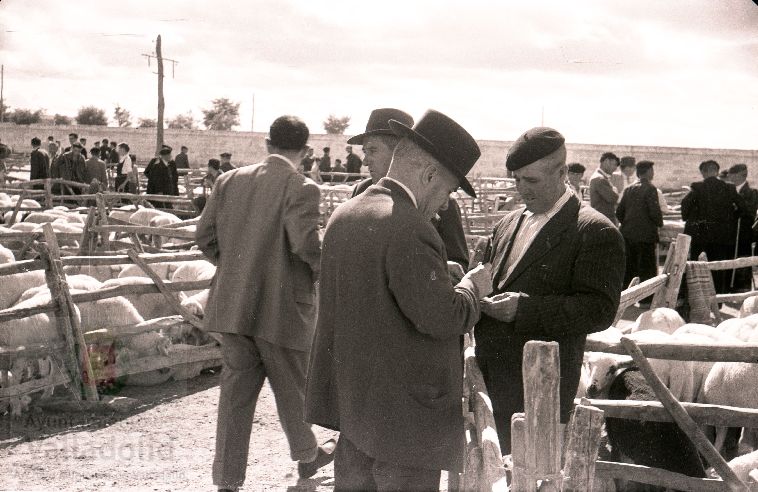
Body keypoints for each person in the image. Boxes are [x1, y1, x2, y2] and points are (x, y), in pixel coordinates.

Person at [306, 110, 493, 490]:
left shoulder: (346, 213)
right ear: (428, 175)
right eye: (449, 190)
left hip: (356, 413)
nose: (444, 203)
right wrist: (473, 288)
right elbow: (443, 317)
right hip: (405, 426)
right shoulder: (411, 227)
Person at [197, 116, 334, 492]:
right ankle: (307, 457)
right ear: (305, 152)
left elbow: (204, 235)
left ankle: (227, 480)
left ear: (266, 143)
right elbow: (306, 244)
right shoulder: (301, 187)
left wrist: (236, 272)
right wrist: (323, 272)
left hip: (233, 309)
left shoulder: (228, 181)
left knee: (235, 398)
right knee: (292, 388)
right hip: (283, 309)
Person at [475, 127, 625, 454]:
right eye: (516, 180)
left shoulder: (594, 230)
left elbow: (599, 310)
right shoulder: (508, 222)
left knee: (533, 475)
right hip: (489, 380)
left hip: (539, 390)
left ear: (562, 174)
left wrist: (524, 309)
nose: (521, 190)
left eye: (531, 181)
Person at [349, 107, 470, 270]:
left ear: (399, 150)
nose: (365, 161)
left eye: (372, 150)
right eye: (365, 151)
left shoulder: (442, 202)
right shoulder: (361, 191)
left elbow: (459, 262)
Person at [682, 160, 753, 294]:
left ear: (703, 172)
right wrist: (731, 217)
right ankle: (718, 300)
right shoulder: (729, 188)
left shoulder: (697, 188)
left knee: (698, 268)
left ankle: (699, 299)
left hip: (701, 236)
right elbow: (744, 209)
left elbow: (685, 211)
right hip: (722, 237)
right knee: (718, 268)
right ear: (716, 171)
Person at [616, 161, 663, 303]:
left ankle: (626, 298)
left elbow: (619, 212)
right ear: (648, 172)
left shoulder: (629, 189)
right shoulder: (650, 189)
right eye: (652, 170)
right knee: (646, 269)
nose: (653, 173)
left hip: (628, 235)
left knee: (629, 267)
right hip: (645, 236)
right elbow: (654, 213)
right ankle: (645, 300)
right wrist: (659, 223)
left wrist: (630, 224)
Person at [728, 164, 758, 291]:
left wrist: (736, 208)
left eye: (732, 175)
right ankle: (729, 286)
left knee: (743, 260)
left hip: (743, 233)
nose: (729, 177)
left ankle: (742, 289)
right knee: (728, 259)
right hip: (729, 233)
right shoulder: (728, 190)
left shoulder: (752, 193)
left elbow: (749, 211)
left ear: (739, 175)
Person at [589, 151, 621, 225]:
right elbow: (612, 198)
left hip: (602, 220)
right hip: (603, 221)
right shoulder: (600, 179)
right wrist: (615, 190)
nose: (615, 168)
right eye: (614, 164)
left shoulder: (600, 177)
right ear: (606, 161)